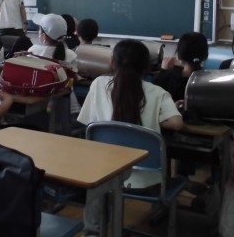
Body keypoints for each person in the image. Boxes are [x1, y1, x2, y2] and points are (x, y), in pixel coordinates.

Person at [77, 39, 183, 233]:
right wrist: (157, 116)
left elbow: (89, 123)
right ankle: (159, 215)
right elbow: (177, 123)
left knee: (99, 180)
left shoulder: (98, 85)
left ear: (112, 62)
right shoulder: (157, 93)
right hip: (147, 181)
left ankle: (92, 231)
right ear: (146, 67)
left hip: (103, 176)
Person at [156, 32, 208, 103]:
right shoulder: (209, 81)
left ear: (179, 56)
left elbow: (156, 99)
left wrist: (163, 71)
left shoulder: (168, 78)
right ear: (206, 56)